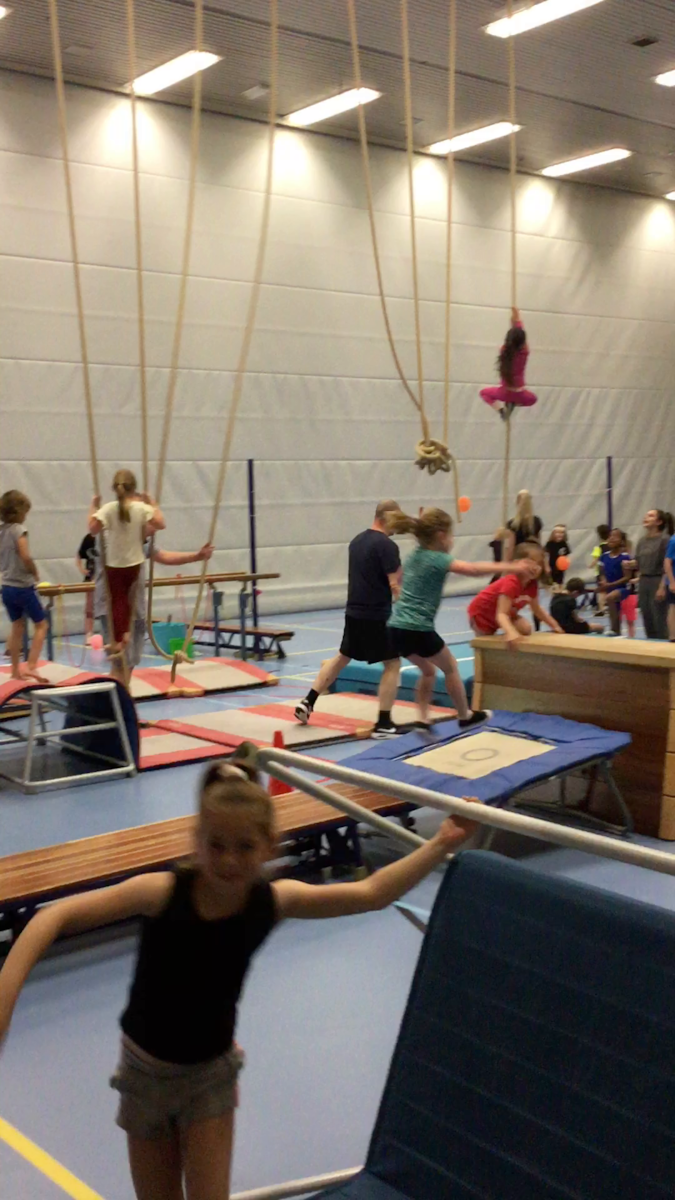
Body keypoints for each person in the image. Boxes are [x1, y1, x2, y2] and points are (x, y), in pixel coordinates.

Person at [0, 750, 478, 1200]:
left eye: (245, 847)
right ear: (197, 841)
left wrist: (442, 842)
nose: (229, 860)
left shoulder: (272, 902)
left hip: (209, 1078)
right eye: (216, 845)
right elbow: (53, 918)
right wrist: (5, 999)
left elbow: (371, 894)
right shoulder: (163, 893)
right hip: (146, 1076)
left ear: (269, 846)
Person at [387, 508, 537, 727]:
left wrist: (398, 590)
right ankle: (464, 715)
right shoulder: (438, 558)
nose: (452, 540)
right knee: (450, 667)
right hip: (417, 628)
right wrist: (512, 565)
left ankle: (422, 717)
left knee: (428, 670)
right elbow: (473, 569)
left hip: (395, 627)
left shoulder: (414, 556)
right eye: (451, 535)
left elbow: (400, 579)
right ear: (441, 536)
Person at [295, 500, 403, 738]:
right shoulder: (387, 545)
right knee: (392, 663)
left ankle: (308, 700)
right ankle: (384, 722)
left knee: (343, 656)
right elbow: (394, 582)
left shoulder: (356, 541)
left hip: (354, 610)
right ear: (387, 517)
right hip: (376, 614)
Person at [94, 539, 214, 684]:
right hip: (113, 606)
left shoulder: (139, 537)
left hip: (135, 606)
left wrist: (197, 556)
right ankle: (117, 696)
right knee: (120, 662)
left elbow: (162, 555)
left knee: (130, 663)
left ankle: (121, 694)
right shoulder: (113, 536)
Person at [89, 470, 165, 658]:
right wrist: (152, 503)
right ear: (134, 488)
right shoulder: (141, 508)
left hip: (114, 564)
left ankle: (119, 639)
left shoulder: (108, 508)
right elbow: (161, 523)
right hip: (134, 563)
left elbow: (93, 529)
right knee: (130, 600)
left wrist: (93, 507)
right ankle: (127, 634)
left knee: (117, 601)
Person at [468, 543, 563, 649]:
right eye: (530, 562)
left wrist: (555, 626)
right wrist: (510, 632)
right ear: (517, 563)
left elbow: (537, 609)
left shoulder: (532, 585)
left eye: (539, 564)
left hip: (505, 613)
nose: (535, 567)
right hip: (482, 615)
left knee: (525, 629)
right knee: (486, 646)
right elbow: (501, 614)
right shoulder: (511, 582)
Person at [0, 490, 49, 683]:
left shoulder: (2, 531)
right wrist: (34, 572)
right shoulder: (19, 530)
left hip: (6, 587)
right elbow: (25, 555)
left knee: (17, 627)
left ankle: (15, 671)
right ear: (19, 512)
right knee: (41, 625)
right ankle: (31, 666)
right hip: (23, 587)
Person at [480, 307, 537, 420]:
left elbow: (514, 337)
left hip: (505, 392)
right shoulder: (524, 352)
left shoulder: (504, 351)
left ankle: (501, 410)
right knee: (532, 400)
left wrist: (514, 321)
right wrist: (517, 319)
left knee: (484, 393)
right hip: (520, 393)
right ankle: (514, 403)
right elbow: (519, 335)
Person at [634, 509, 673, 640]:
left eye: (651, 516)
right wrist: (630, 565)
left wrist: (662, 587)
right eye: (646, 515)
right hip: (643, 581)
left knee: (659, 618)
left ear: (659, 522)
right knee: (647, 617)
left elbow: (667, 565)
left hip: (658, 580)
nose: (646, 517)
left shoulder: (665, 540)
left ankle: (664, 646)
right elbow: (639, 561)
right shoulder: (642, 541)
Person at [597, 528, 634, 637]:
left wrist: (611, 584)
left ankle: (615, 629)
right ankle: (616, 631)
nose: (611, 538)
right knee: (612, 605)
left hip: (624, 588)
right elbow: (601, 572)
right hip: (610, 587)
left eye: (615, 536)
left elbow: (627, 577)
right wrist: (603, 581)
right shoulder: (604, 556)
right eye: (610, 536)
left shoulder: (625, 557)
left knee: (610, 598)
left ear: (621, 541)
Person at [503, 489, 543, 562]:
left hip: (519, 558)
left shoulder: (513, 524)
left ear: (517, 503)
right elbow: (539, 543)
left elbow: (510, 547)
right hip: (535, 557)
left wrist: (506, 563)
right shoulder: (536, 521)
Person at [76, 531, 98, 644]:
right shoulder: (89, 538)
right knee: (89, 605)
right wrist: (82, 570)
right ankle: (89, 633)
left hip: (105, 577)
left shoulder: (109, 536)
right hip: (91, 577)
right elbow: (79, 555)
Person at [590, 523, 610, 614]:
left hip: (600, 573)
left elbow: (595, 560)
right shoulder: (612, 547)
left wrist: (591, 565)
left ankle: (601, 608)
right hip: (610, 571)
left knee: (601, 591)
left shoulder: (598, 548)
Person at [665, 529, 675, 642]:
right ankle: (673, 636)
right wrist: (672, 582)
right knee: (673, 607)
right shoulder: (673, 540)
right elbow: (667, 562)